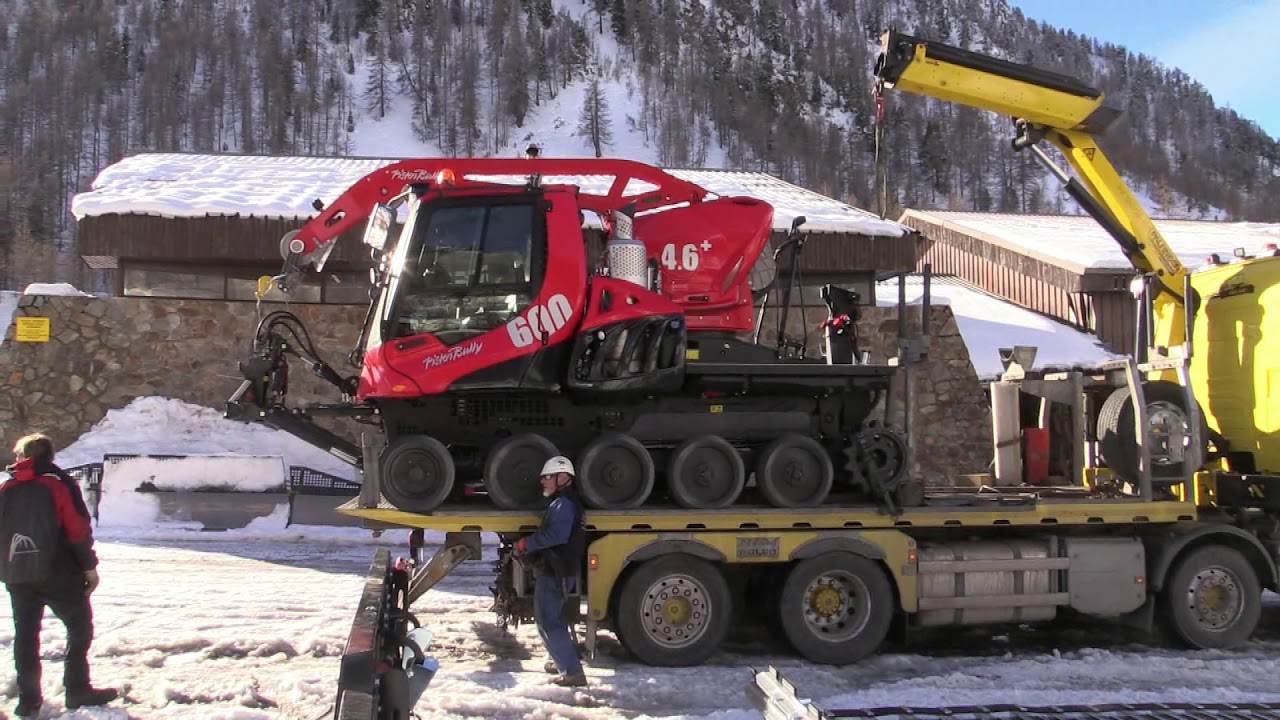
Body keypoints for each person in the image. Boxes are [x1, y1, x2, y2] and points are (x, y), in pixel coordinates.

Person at [0, 434, 118, 717]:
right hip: (58, 572)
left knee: (26, 636)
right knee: (79, 628)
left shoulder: (6, 488)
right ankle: (77, 689)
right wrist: (89, 567)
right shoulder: (59, 484)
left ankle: (29, 700)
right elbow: (77, 529)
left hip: (18, 574)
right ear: (49, 457)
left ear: (21, 457)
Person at [513, 455, 587, 687]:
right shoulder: (565, 502)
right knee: (556, 619)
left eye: (547, 477)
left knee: (548, 622)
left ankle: (573, 672)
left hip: (556, 573)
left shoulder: (564, 505)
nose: (543, 482)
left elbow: (557, 535)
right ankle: (563, 659)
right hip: (562, 571)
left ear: (562, 477)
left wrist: (526, 544)